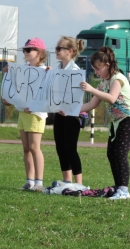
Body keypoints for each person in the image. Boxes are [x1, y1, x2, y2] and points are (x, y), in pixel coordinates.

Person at [79, 46, 130, 199]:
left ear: (107, 65)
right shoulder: (103, 83)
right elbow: (92, 104)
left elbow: (112, 98)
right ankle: (119, 187)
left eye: (98, 69)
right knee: (111, 153)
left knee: (120, 153)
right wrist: (71, 110)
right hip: (117, 122)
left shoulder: (117, 78)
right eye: (94, 69)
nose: (96, 72)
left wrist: (92, 89)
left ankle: (124, 190)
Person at [2, 38, 48, 191]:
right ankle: (29, 181)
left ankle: (39, 182)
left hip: (36, 114)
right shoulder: (23, 70)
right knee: (26, 147)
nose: (25, 53)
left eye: (29, 50)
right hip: (23, 112)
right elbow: (16, 90)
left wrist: (33, 106)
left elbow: (46, 94)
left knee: (35, 147)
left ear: (39, 53)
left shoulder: (44, 71)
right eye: (24, 50)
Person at [52, 36, 85, 186]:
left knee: (70, 148)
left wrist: (68, 109)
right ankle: (67, 182)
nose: (56, 51)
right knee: (60, 147)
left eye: (60, 48)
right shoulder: (57, 69)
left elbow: (77, 95)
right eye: (56, 48)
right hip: (59, 113)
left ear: (70, 51)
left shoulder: (76, 71)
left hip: (71, 115)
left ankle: (78, 184)